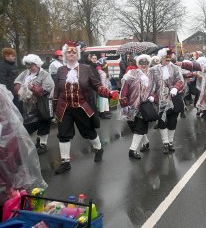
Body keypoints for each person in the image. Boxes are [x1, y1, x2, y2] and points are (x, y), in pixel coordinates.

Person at [53, 41, 118, 174]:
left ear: (77, 54)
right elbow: (56, 92)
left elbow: (96, 85)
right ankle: (65, 162)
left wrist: (109, 93)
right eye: (68, 52)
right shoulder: (61, 70)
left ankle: (99, 148)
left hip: (81, 107)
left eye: (74, 52)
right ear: (65, 55)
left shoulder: (86, 69)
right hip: (64, 107)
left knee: (89, 132)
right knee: (63, 135)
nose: (71, 53)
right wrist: (55, 109)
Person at [14, 54, 54, 155]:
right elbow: (17, 82)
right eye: (27, 65)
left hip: (41, 104)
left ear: (37, 64)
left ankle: (42, 144)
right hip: (27, 106)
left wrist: (34, 88)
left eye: (31, 65)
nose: (29, 68)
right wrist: (18, 87)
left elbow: (47, 89)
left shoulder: (44, 74)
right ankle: (36, 142)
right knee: (28, 125)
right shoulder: (25, 73)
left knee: (43, 122)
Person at [119, 54, 158, 159]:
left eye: (146, 63)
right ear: (137, 64)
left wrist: (153, 97)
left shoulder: (152, 75)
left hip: (144, 106)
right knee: (134, 127)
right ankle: (146, 143)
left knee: (140, 127)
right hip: (131, 106)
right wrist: (124, 103)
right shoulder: (131, 73)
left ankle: (132, 150)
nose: (143, 65)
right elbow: (124, 89)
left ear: (149, 64)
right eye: (141, 62)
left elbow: (156, 89)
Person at [151, 47, 184, 154]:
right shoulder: (154, 69)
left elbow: (180, 80)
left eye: (169, 58)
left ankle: (170, 142)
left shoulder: (175, 68)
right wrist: (151, 95)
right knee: (162, 122)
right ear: (161, 58)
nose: (167, 60)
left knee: (172, 121)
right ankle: (165, 143)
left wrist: (176, 88)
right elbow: (150, 84)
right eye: (165, 58)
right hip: (160, 99)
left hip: (173, 98)